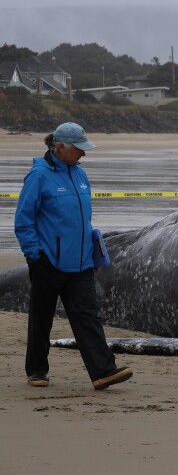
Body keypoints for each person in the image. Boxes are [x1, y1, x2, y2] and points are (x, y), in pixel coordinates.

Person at [14, 123, 133, 390]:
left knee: (88, 316)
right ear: (60, 147)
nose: (83, 154)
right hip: (48, 262)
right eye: (79, 149)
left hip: (81, 263)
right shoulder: (39, 176)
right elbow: (23, 221)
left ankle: (103, 371)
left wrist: (94, 254)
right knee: (41, 317)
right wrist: (35, 256)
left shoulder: (81, 176)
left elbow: (83, 221)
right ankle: (36, 370)